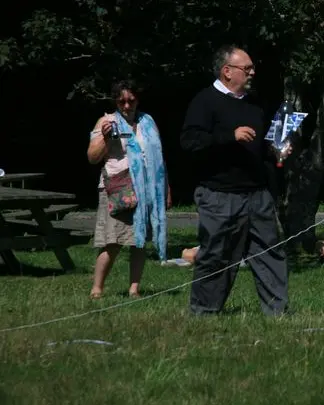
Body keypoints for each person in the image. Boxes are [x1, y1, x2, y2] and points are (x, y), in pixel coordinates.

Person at [179, 45, 290, 316]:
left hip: (257, 194)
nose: (253, 72)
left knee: (270, 253)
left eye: (252, 68)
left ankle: (278, 312)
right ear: (226, 71)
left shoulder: (254, 103)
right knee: (217, 254)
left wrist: (277, 150)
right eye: (246, 68)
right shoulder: (205, 101)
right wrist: (230, 136)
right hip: (219, 194)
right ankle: (204, 312)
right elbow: (190, 141)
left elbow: (262, 145)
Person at [86, 80, 169, 299]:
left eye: (130, 100)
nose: (126, 105)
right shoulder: (107, 121)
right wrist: (105, 137)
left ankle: (134, 289)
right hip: (118, 189)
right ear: (115, 101)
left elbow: (158, 158)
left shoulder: (147, 122)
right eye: (121, 101)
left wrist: (165, 189)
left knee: (139, 241)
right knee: (112, 241)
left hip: (146, 188)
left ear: (137, 100)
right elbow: (93, 158)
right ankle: (97, 288)